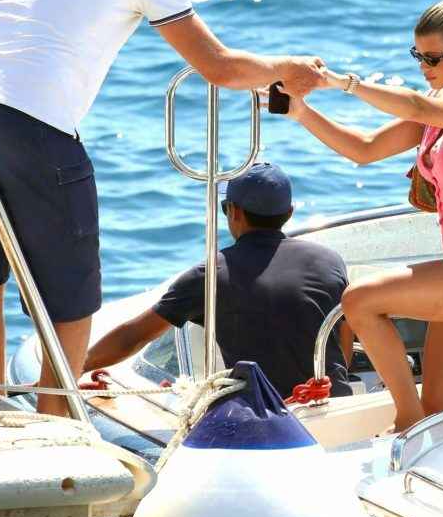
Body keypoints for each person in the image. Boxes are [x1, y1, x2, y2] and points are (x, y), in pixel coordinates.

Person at [0, 0, 324, 415]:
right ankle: (55, 424)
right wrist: (287, 68)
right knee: (71, 297)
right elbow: (218, 66)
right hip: (33, 120)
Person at [286, 0, 443, 431]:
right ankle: (419, 430)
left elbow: (418, 106)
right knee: (441, 415)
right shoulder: (440, 106)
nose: (423, 67)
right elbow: (364, 148)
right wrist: (302, 112)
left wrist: (343, 83)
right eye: (417, 56)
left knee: (360, 300)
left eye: (432, 58)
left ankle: (405, 417)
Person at [83, 163, 353, 399]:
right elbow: (344, 336)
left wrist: (76, 366)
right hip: (334, 405)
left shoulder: (211, 274)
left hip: (265, 418)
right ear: (290, 213)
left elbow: (134, 336)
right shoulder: (329, 261)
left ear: (233, 211)